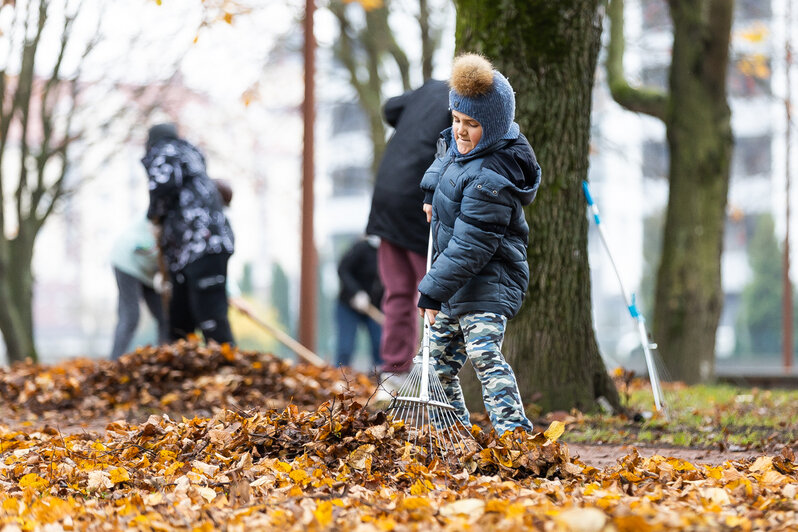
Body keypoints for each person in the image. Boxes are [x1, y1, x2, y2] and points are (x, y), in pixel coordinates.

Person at [417, 53, 541, 435]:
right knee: (434, 365)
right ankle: (455, 434)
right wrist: (429, 190)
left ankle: (515, 436)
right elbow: (446, 154)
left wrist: (432, 291)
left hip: (489, 281)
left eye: (472, 124)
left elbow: (471, 246)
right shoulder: (464, 148)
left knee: (484, 354)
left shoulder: (492, 178)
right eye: (456, 119)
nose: (460, 131)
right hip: (458, 281)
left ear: (494, 126)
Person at [365, 78, 452, 397]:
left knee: (398, 290)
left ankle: (395, 370)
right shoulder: (463, 100)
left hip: (386, 198)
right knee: (436, 289)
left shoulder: (427, 90)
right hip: (419, 200)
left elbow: (390, 109)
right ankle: (440, 370)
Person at [141, 123, 236, 345]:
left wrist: (154, 213)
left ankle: (230, 370)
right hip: (192, 249)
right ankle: (183, 369)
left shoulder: (165, 152)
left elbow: (161, 187)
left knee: (210, 316)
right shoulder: (190, 157)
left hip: (200, 244)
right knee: (180, 319)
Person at [109, 217, 170, 360]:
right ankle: (114, 362)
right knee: (130, 316)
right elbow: (143, 248)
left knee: (164, 315)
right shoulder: (159, 213)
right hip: (127, 263)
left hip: (146, 272)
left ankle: (166, 358)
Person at [335, 235, 383, 370]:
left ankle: (380, 382)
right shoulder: (361, 248)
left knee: (380, 345)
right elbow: (343, 269)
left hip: (376, 309)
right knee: (345, 346)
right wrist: (356, 292)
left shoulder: (391, 254)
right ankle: (340, 379)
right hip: (348, 305)